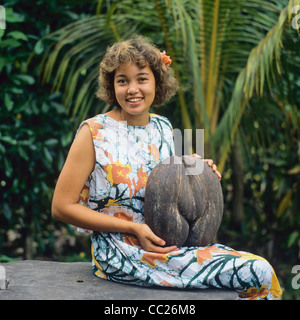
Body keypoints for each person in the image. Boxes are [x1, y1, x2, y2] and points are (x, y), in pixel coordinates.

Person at [51, 35, 282, 299]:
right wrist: (133, 228)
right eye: (122, 81)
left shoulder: (162, 126)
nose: (132, 89)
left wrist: (200, 170)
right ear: (111, 86)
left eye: (142, 79)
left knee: (251, 267)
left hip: (170, 244)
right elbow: (61, 207)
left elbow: (173, 180)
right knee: (257, 271)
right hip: (121, 252)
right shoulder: (93, 132)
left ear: (157, 83)